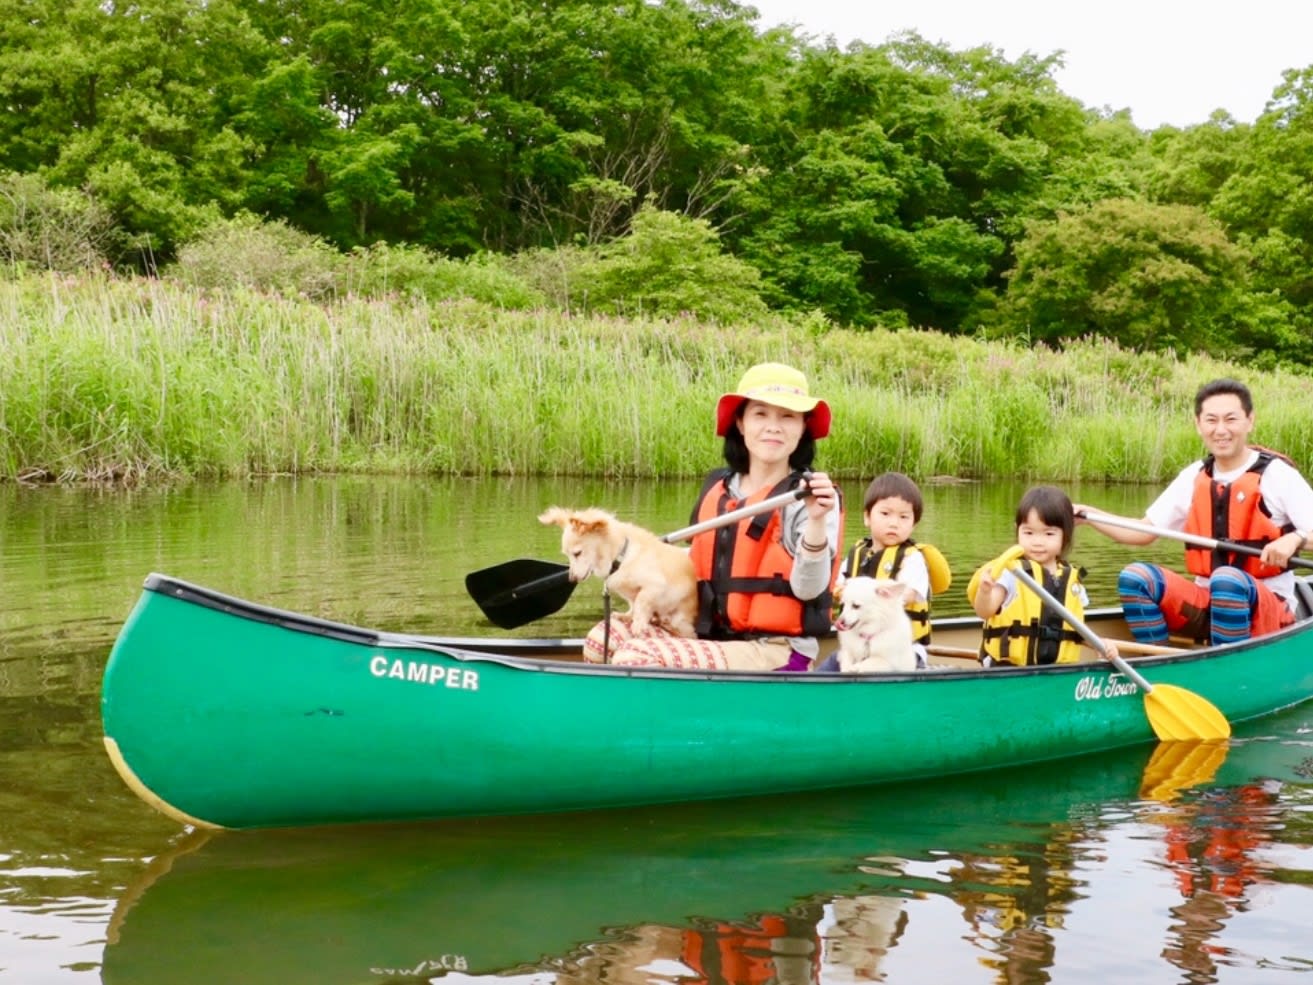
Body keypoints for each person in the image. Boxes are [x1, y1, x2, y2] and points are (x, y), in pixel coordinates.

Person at [582, 362, 843, 670]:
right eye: (760, 414)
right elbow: (692, 563)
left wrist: (815, 520)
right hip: (712, 636)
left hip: (776, 650)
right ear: (741, 423)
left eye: (787, 417)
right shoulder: (718, 488)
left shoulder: (811, 496)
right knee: (603, 639)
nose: (773, 426)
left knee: (636, 657)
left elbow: (809, 589)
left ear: (802, 429)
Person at [1076, 378, 1313, 646]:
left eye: (1231, 419)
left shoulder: (1277, 475)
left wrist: (1297, 539)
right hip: (1207, 602)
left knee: (1227, 580)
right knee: (1135, 578)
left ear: (1250, 421)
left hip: (1269, 609)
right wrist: (1087, 514)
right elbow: (1142, 531)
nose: (1221, 430)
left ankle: (1226, 670)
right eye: (1211, 420)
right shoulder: (1193, 476)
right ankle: (1160, 666)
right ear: (1198, 425)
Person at [969, 485, 1120, 666]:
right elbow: (984, 611)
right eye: (1029, 533)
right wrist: (985, 592)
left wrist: (1100, 645)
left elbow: (1074, 631)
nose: (1037, 542)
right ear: (1017, 531)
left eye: (1049, 533)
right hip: (1007, 672)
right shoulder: (1011, 572)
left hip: (1055, 674)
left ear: (1065, 536)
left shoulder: (1072, 582)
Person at [815, 471, 950, 671]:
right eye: (885, 514)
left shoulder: (912, 559)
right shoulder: (856, 555)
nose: (894, 523)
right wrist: (840, 591)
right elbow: (838, 588)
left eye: (904, 517)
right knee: (829, 668)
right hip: (858, 647)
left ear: (913, 524)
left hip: (902, 650)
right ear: (867, 517)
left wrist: (875, 594)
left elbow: (909, 594)